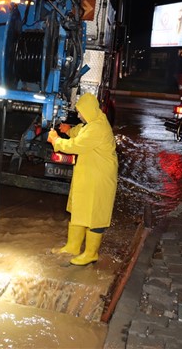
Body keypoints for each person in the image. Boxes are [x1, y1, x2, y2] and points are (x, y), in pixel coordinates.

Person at [47, 92, 118, 266]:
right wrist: (68, 130)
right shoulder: (94, 121)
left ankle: (91, 253)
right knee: (80, 210)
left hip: (99, 179)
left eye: (80, 112)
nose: (79, 115)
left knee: (95, 215)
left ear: (89, 110)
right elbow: (80, 130)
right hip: (90, 176)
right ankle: (73, 246)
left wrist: (56, 140)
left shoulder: (97, 128)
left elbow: (76, 145)